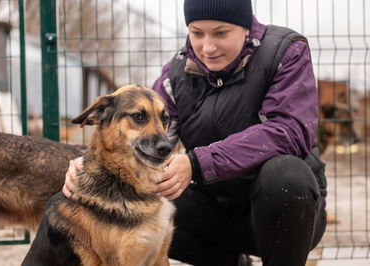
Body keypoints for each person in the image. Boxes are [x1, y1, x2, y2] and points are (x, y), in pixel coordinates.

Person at [63, 0, 327, 265]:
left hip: (284, 213)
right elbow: (147, 140)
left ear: (246, 27)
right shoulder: (177, 72)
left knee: (284, 175)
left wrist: (197, 163)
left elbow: (288, 131)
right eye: (197, 33)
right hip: (216, 210)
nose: (207, 47)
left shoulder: (285, 52)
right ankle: (230, 262)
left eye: (220, 33)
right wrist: (90, 166)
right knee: (146, 202)